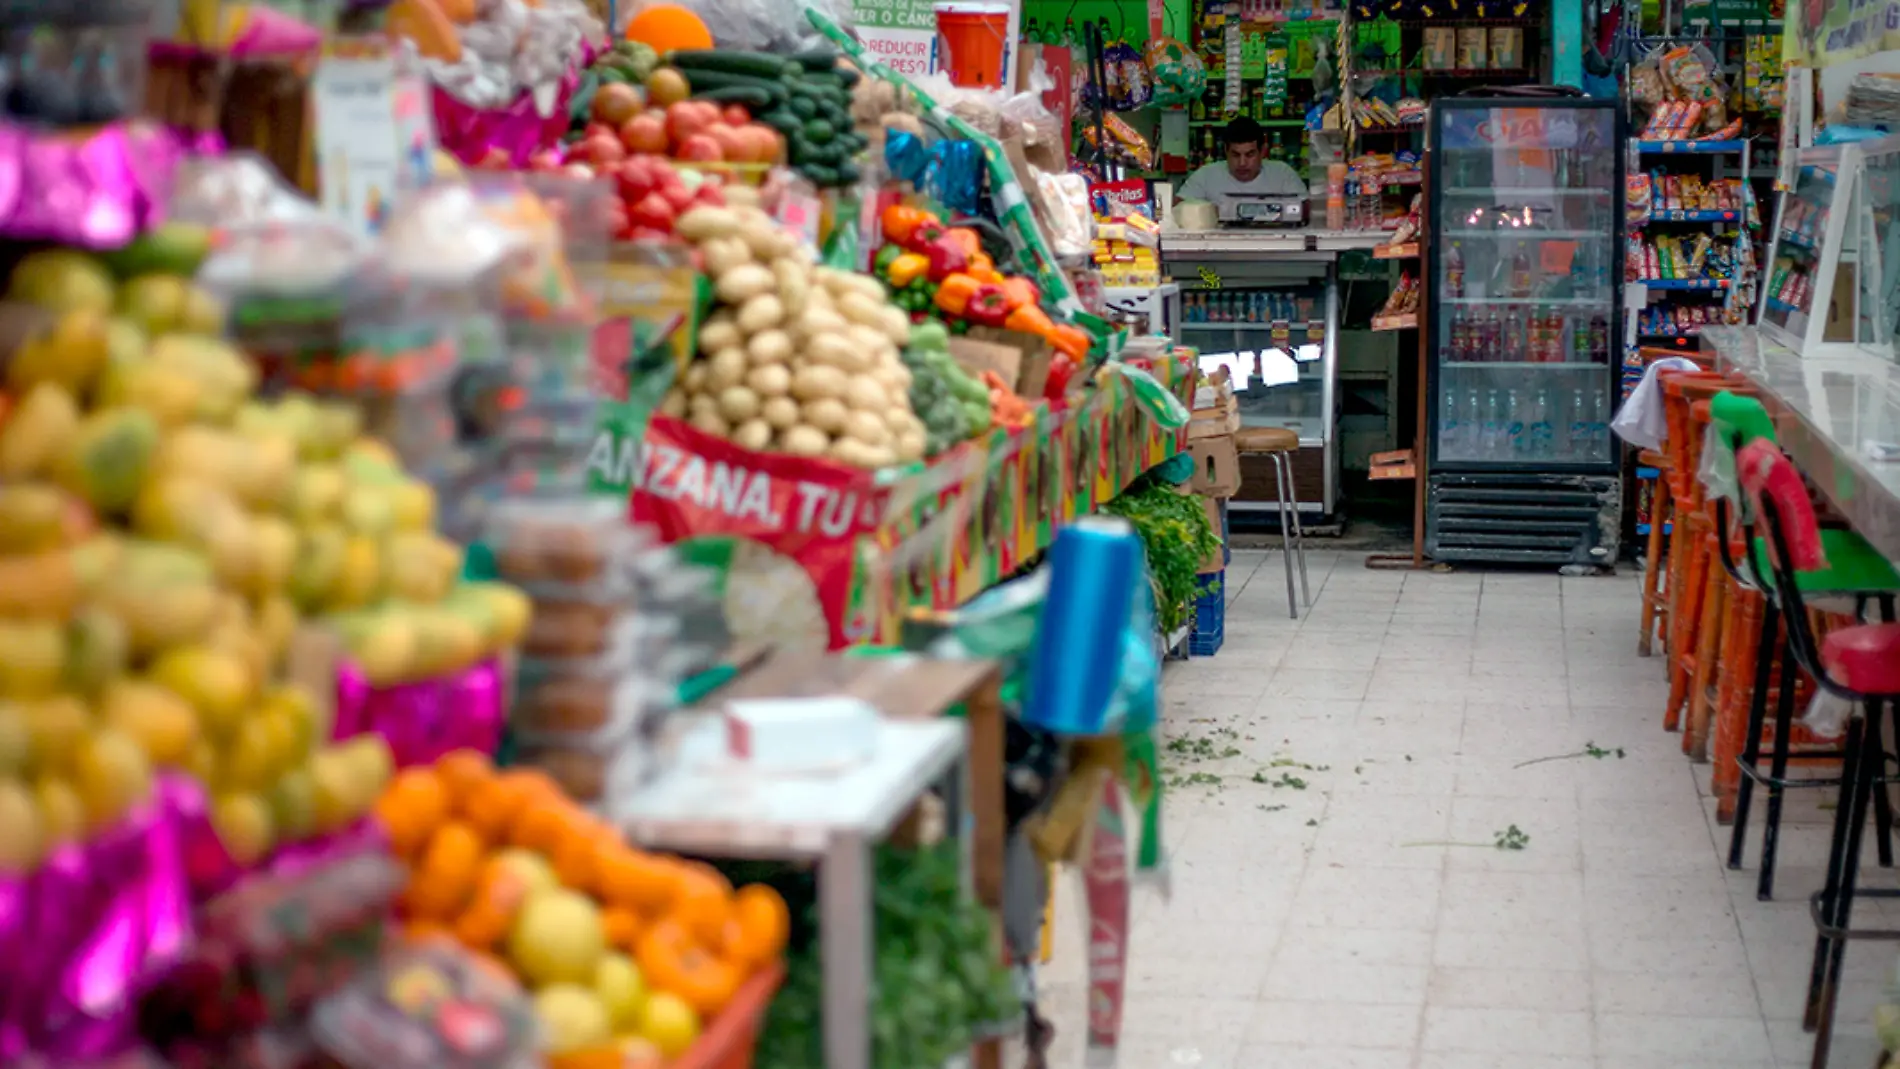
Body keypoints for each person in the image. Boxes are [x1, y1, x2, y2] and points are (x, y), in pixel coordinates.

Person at [1177, 117, 1306, 202]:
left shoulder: (1282, 174)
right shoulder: (1205, 175)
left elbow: (1306, 208)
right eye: (1235, 155)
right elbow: (1178, 207)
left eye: (1250, 155)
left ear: (1263, 152)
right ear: (1225, 151)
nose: (1242, 163)